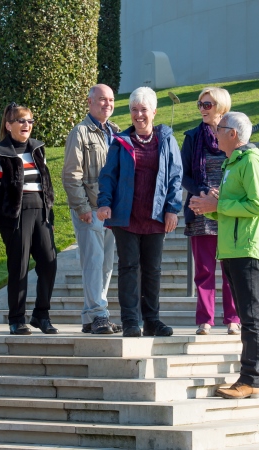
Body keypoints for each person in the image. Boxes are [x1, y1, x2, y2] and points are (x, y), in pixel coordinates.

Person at [190, 112, 259, 399]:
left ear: (233, 134)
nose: (215, 133)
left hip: (246, 248)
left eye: (220, 129)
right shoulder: (233, 161)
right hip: (233, 247)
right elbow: (232, 205)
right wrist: (208, 205)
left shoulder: (250, 160)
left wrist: (218, 202)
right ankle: (252, 378)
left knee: (250, 316)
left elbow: (258, 205)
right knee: (249, 315)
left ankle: (251, 378)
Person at [97, 86, 182, 338]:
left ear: (154, 112)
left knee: (152, 269)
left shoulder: (166, 139)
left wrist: (172, 209)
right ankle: (131, 321)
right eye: (134, 109)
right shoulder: (121, 141)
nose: (138, 115)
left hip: (155, 216)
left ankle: (152, 320)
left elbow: (175, 176)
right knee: (129, 268)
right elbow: (108, 176)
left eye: (143, 109)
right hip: (126, 216)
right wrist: (104, 202)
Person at [0, 104, 59, 335]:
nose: (27, 125)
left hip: (40, 211)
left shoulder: (37, 149)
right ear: (8, 125)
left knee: (49, 262)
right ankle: (17, 319)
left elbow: (46, 184)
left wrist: (50, 214)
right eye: (21, 121)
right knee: (19, 266)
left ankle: (41, 315)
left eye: (30, 121)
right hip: (14, 215)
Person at [62, 84, 122, 334]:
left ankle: (91, 316)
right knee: (94, 263)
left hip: (112, 212)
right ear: (89, 102)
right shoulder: (81, 132)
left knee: (106, 265)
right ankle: (99, 313)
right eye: (101, 100)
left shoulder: (116, 132)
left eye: (110, 100)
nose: (107, 104)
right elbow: (71, 174)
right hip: (91, 210)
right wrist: (82, 208)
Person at [179, 87, 240, 336]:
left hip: (228, 210)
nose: (203, 109)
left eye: (208, 105)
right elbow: (183, 174)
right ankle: (205, 319)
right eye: (200, 105)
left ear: (221, 107)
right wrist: (203, 191)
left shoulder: (235, 135)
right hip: (201, 209)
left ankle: (233, 319)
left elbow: (242, 168)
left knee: (231, 270)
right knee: (204, 270)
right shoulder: (193, 137)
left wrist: (224, 195)